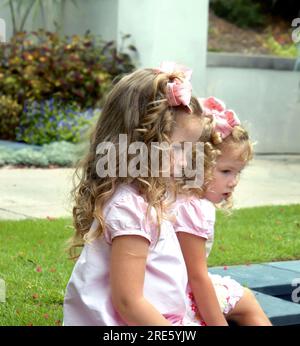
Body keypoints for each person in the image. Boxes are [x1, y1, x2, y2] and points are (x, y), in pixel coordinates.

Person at [63, 62, 206, 326]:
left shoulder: (143, 199)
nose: (187, 162)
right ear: (140, 145)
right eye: (178, 149)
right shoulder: (129, 208)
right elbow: (128, 302)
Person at [174, 96, 272, 326]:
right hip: (178, 292)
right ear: (196, 164)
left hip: (176, 282)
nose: (233, 181)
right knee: (247, 302)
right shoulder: (193, 209)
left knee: (245, 298)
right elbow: (196, 278)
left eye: (238, 173)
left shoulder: (181, 199)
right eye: (226, 171)